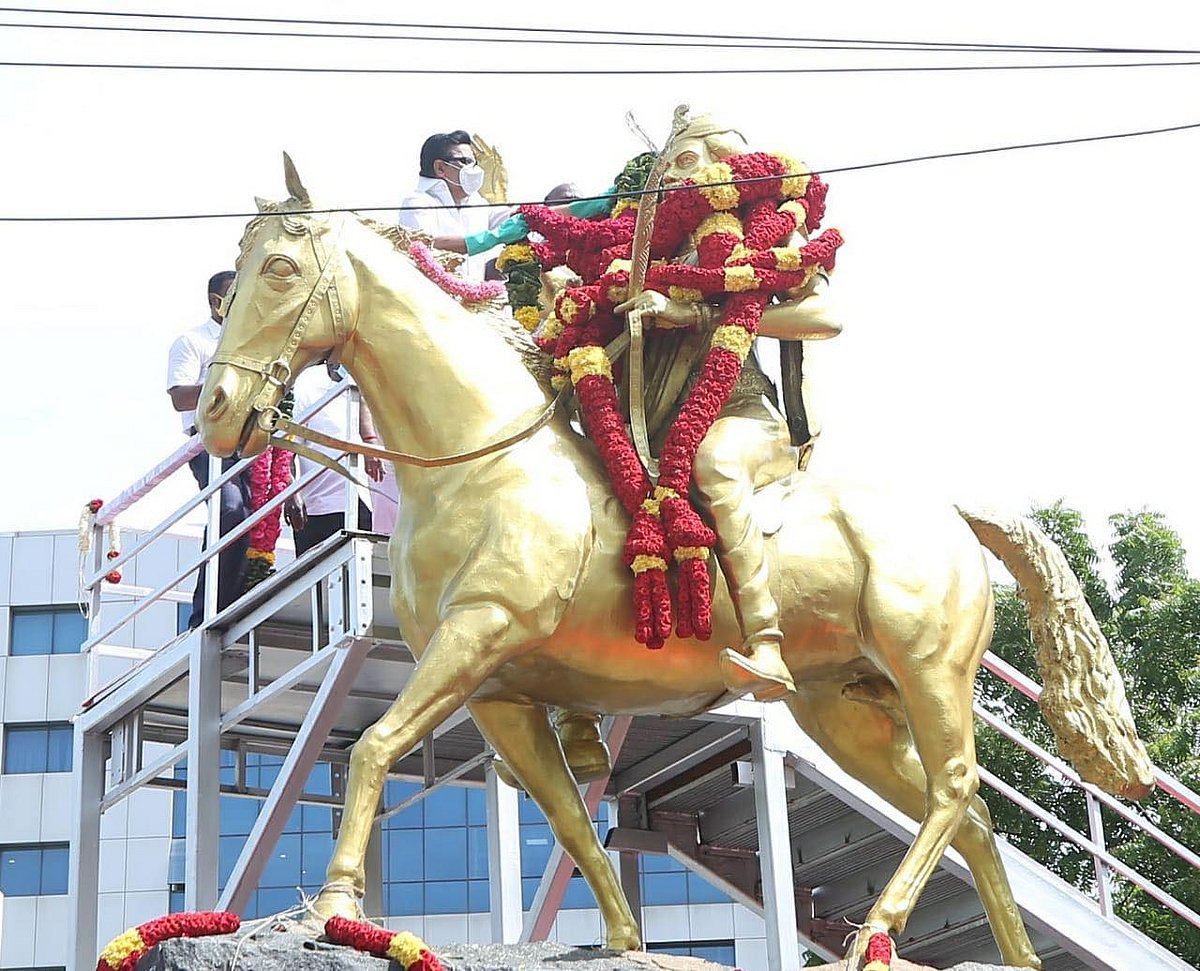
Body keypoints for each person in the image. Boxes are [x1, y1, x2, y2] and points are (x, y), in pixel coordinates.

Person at [612, 112, 843, 701]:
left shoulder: (763, 235)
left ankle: (767, 642)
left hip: (740, 416)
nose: (673, 179)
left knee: (713, 463)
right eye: (667, 169)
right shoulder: (647, 253)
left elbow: (824, 318)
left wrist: (700, 315)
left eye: (686, 163)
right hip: (652, 426)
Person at [167, 270, 253, 629]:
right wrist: (225, 384)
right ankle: (207, 612)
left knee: (253, 517)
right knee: (229, 510)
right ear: (214, 301)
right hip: (211, 444)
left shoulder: (252, 338)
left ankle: (241, 600)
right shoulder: (193, 341)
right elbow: (179, 396)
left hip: (251, 442)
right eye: (233, 294)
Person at [284, 363, 385, 555]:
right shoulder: (307, 383)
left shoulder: (361, 381)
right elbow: (287, 451)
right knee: (313, 579)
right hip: (315, 509)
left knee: (357, 572)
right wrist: (291, 494)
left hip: (358, 501)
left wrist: (370, 443)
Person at [398, 130, 510, 280]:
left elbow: (520, 216)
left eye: (474, 162)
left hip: (474, 300)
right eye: (465, 161)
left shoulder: (477, 204)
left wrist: (547, 214)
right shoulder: (418, 202)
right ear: (440, 168)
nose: (474, 169)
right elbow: (422, 246)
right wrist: (486, 240)